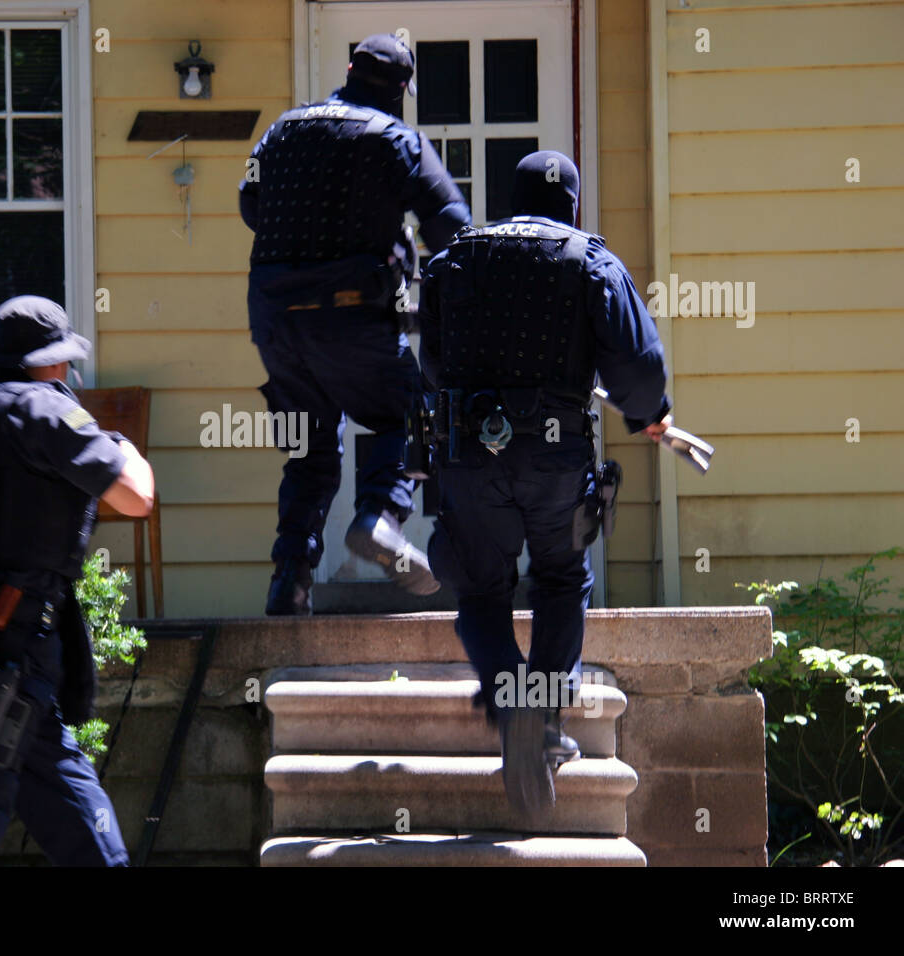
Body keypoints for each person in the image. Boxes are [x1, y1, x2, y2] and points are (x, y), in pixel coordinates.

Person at [416, 151, 673, 819]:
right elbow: (638, 369)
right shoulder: (591, 261)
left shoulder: (455, 257)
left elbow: (432, 364)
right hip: (558, 458)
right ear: (574, 205)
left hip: (471, 453)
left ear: (510, 197)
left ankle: (512, 708)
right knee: (561, 578)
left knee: (481, 587)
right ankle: (543, 714)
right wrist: (649, 416)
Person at [0, 295, 155, 866]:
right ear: (46, 361)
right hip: (7, 648)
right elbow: (137, 497)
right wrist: (125, 448)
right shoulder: (41, 411)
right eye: (63, 360)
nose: (67, 372)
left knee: (67, 801)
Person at [238, 33, 471, 615]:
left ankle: (289, 579)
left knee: (310, 451)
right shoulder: (399, 139)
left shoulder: (281, 130)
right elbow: (452, 226)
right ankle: (379, 519)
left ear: (347, 70)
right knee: (407, 410)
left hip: (275, 323)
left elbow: (250, 205)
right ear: (399, 92)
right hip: (354, 316)